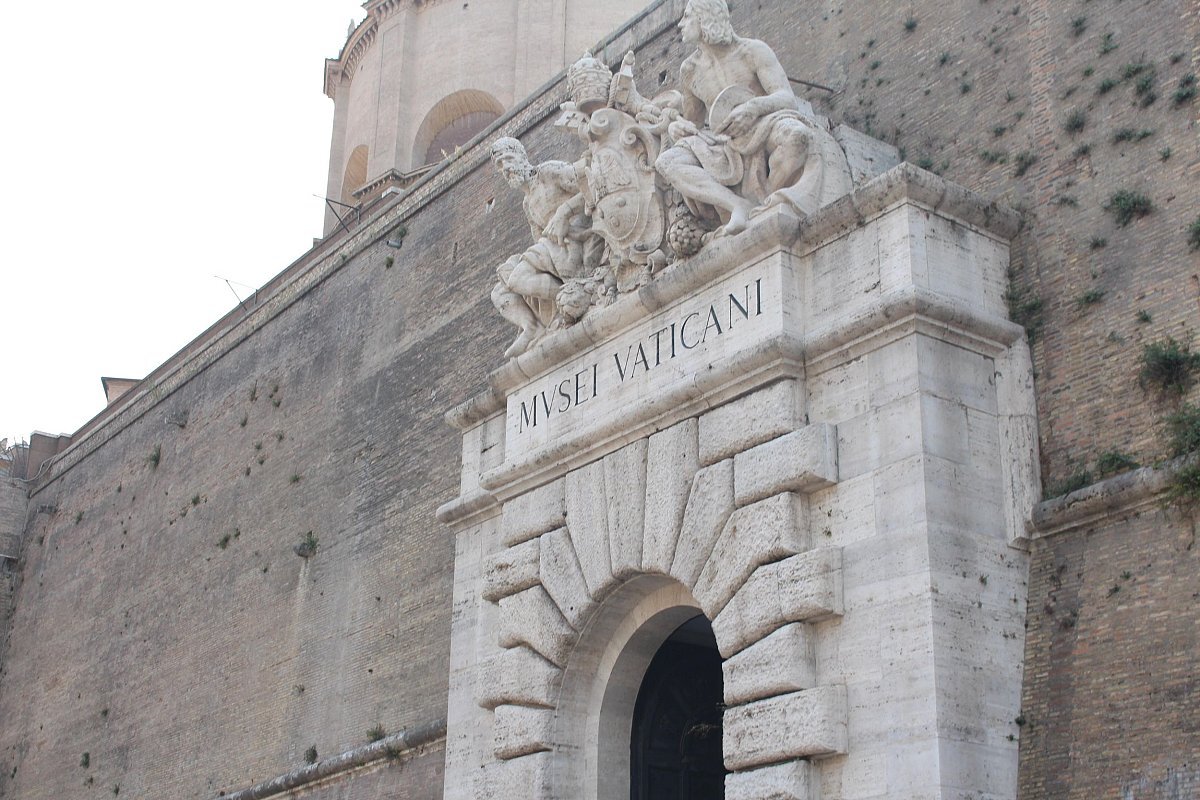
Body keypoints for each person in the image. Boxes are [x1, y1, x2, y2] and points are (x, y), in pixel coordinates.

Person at [650, 0, 851, 236]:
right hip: (723, 142)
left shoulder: (752, 51)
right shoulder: (690, 71)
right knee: (667, 162)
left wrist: (753, 108)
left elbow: (787, 97)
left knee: (797, 137)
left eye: (687, 16)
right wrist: (677, 128)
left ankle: (767, 202)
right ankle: (737, 205)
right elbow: (694, 123)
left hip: (763, 124)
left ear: (705, 17)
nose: (680, 25)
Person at [488, 138, 600, 358]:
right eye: (500, 165)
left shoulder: (548, 172)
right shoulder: (527, 204)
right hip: (556, 251)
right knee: (501, 289)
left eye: (508, 159)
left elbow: (592, 182)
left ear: (522, 157)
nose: (506, 167)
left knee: (517, 278)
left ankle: (576, 296)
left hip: (579, 239)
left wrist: (564, 212)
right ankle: (532, 327)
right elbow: (539, 241)